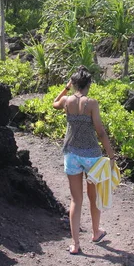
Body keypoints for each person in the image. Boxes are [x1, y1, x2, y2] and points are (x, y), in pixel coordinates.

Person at [52, 66, 116, 255]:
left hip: (71, 154)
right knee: (93, 197)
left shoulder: (66, 101)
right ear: (89, 84)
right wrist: (111, 155)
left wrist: (66, 87)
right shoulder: (92, 104)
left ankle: (75, 244)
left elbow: (54, 103)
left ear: (74, 84)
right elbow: (101, 132)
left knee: (75, 200)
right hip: (92, 157)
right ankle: (96, 233)